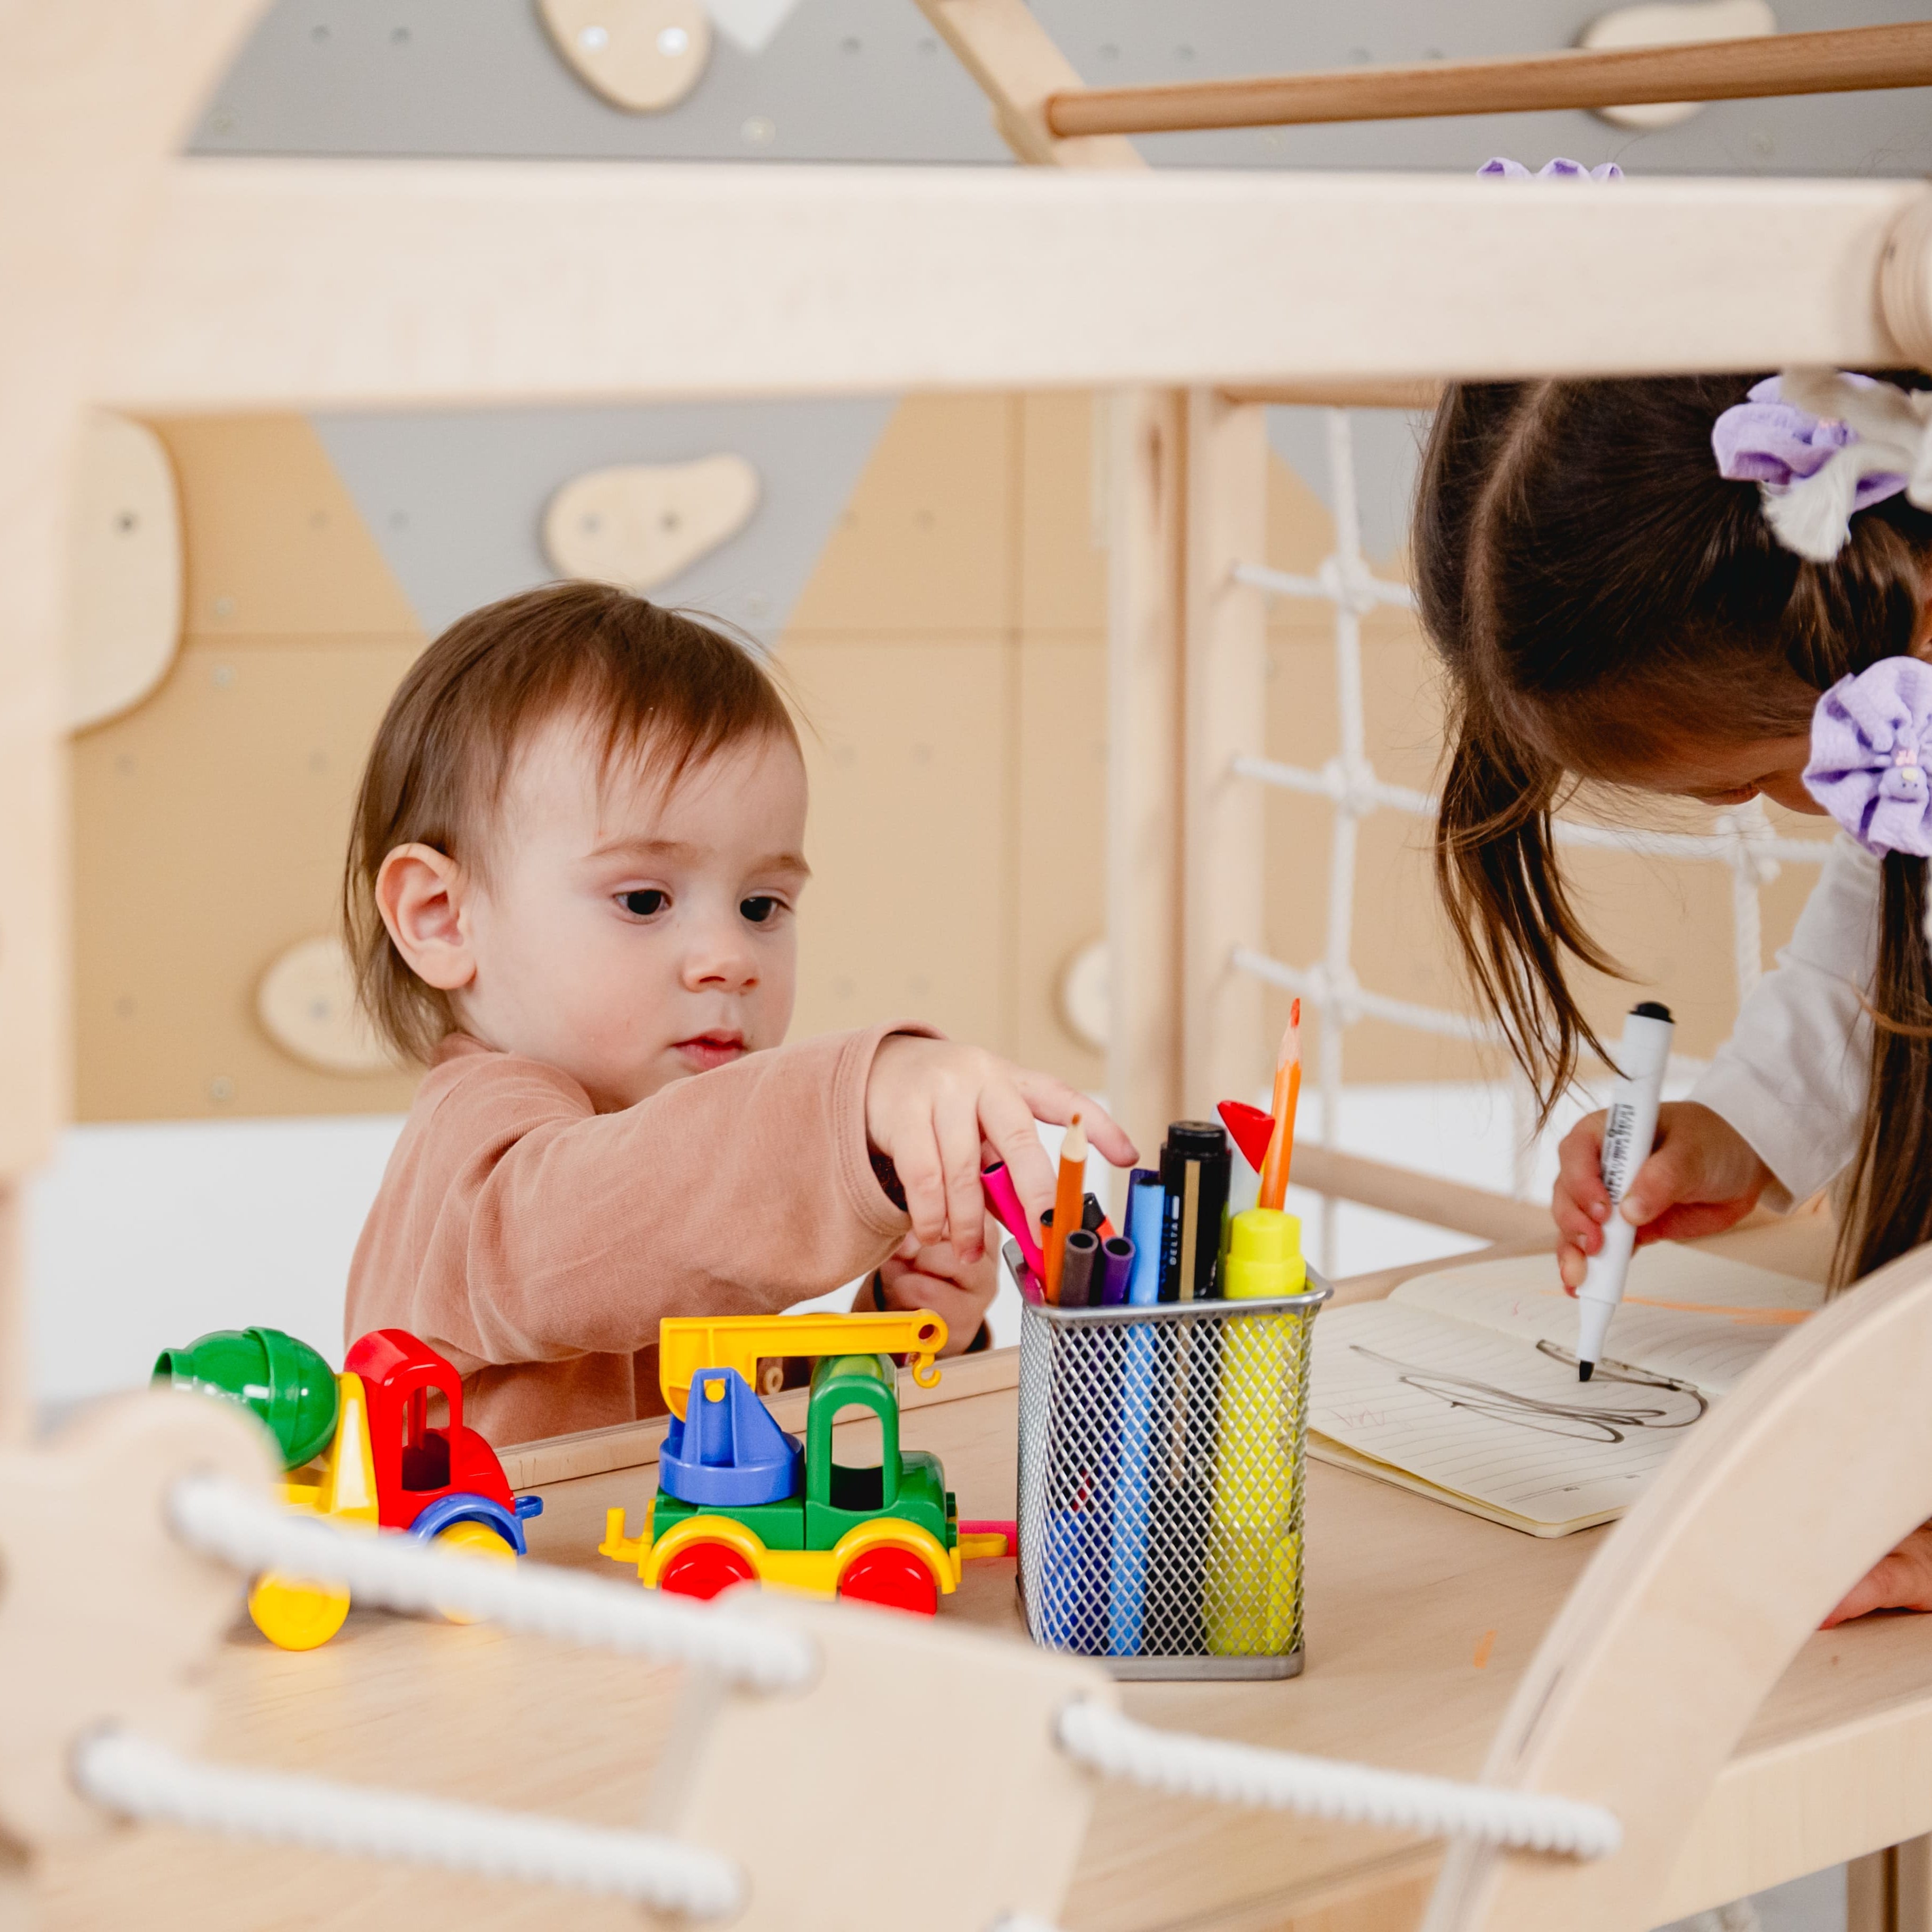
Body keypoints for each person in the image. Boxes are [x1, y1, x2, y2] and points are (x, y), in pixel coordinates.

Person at [342, 581, 1132, 1444]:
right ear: (441, 917)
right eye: (644, 899)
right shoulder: (479, 1153)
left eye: (762, 907)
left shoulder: (666, 1195)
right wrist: (856, 1097)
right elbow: (609, 1215)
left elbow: (724, 1412)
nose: (732, 959)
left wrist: (896, 1323)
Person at [1415, 369, 1932, 1624]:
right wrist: (1747, 1128)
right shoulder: (1902, 728)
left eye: (1763, 778)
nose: (1825, 805)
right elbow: (1874, 939)